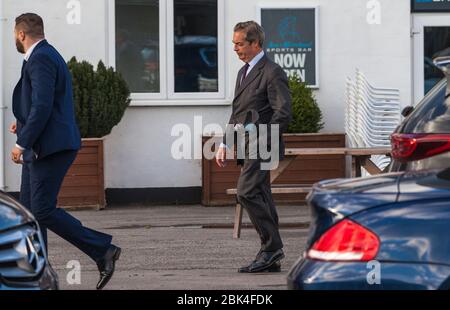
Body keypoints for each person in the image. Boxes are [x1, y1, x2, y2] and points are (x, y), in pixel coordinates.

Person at [10, 13, 120, 290]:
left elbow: (43, 105)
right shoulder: (43, 55)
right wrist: (23, 123)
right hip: (42, 147)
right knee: (29, 213)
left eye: (14, 34)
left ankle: (102, 249)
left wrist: (21, 142)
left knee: (43, 210)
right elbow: (41, 104)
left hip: (51, 149)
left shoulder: (42, 57)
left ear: (21, 34)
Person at [216, 21, 292, 273]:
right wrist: (226, 142)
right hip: (248, 145)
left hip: (263, 144)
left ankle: (272, 248)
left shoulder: (272, 71)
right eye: (234, 44)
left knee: (246, 192)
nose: (235, 49)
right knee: (262, 195)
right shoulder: (244, 72)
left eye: (239, 44)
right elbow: (238, 112)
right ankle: (272, 256)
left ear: (255, 43)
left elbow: (283, 113)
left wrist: (262, 138)